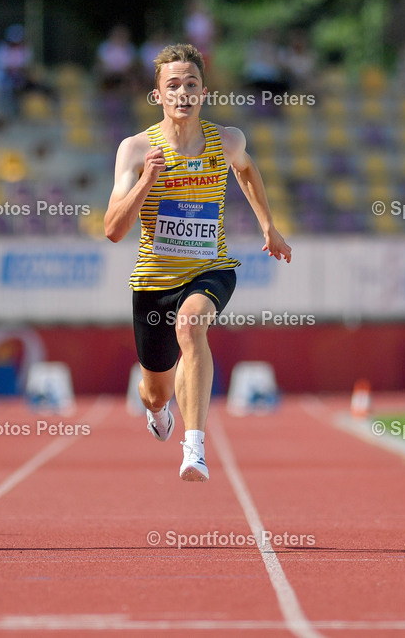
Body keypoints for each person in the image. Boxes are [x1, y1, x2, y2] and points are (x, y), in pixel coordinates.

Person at [104, 43, 291, 481]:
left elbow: (245, 170)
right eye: (173, 85)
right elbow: (113, 229)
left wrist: (269, 226)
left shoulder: (227, 140)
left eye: (191, 84)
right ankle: (158, 409)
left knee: (191, 326)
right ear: (158, 96)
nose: (182, 93)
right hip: (154, 281)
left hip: (211, 268)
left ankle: (195, 449)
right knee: (154, 392)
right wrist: (147, 181)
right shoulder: (134, 150)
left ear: (204, 92)